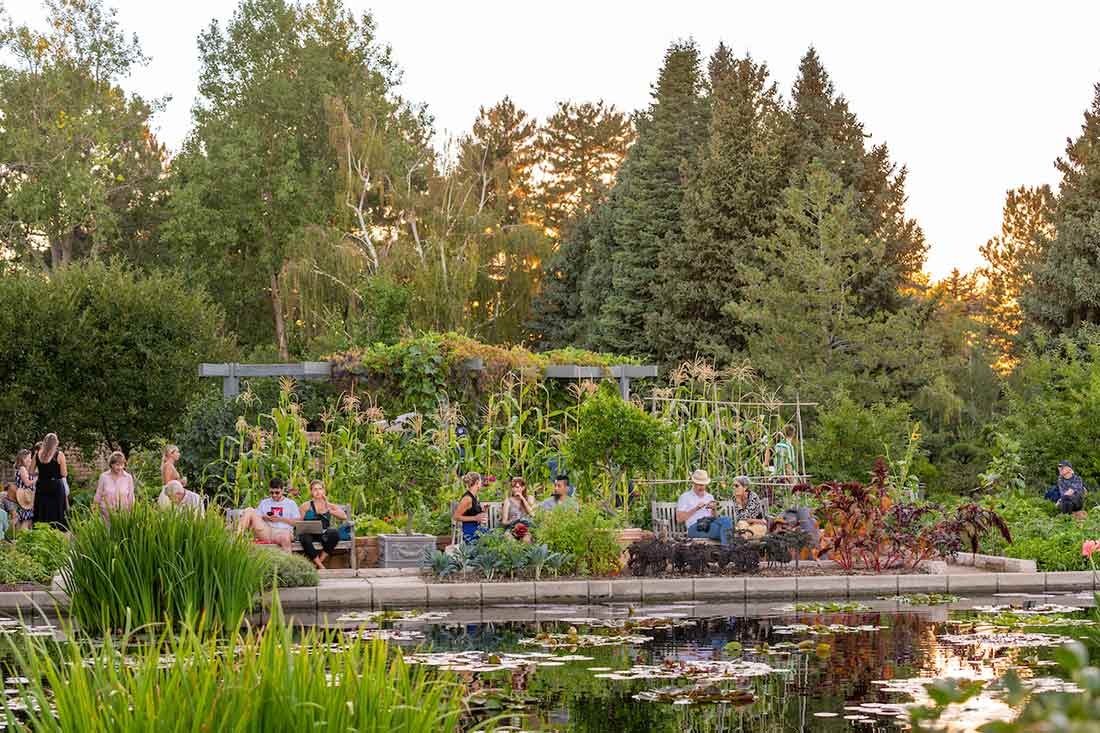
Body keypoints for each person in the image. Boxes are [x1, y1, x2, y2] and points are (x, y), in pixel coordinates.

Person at [236, 477, 298, 551]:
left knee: (285, 536)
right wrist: (265, 517)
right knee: (249, 510)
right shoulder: (264, 502)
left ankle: (288, 560)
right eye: (271, 493)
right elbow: (257, 518)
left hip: (283, 531)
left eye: (277, 492)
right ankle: (238, 540)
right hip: (267, 531)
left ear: (282, 490)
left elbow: (296, 522)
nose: (274, 495)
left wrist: (280, 519)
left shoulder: (291, 503)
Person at [297, 479, 347, 569]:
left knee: (334, 534)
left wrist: (329, 510)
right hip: (309, 533)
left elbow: (344, 516)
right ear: (311, 492)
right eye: (315, 489)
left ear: (324, 491)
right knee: (304, 538)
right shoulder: (306, 505)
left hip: (323, 533)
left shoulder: (329, 505)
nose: (318, 491)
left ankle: (318, 563)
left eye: (320, 489)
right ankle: (321, 566)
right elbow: (298, 521)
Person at [676, 469, 734, 545]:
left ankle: (726, 549)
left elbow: (714, 517)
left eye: (703, 485)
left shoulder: (709, 497)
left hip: (709, 523)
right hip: (695, 527)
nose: (702, 487)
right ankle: (728, 551)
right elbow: (679, 519)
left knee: (727, 519)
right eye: (699, 485)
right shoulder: (685, 497)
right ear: (693, 483)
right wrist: (696, 509)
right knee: (725, 531)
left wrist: (714, 509)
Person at [33, 433, 68, 530]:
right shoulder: (59, 454)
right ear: (56, 443)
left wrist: (41, 472)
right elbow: (64, 474)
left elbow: (31, 471)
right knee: (57, 511)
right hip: (56, 486)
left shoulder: (37, 454)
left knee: (42, 510)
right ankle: (57, 534)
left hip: (42, 486)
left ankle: (42, 532)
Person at [93, 451, 136, 519]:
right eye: (117, 465)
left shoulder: (128, 477)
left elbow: (131, 496)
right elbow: (98, 494)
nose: (120, 467)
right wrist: (94, 509)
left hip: (123, 515)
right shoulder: (104, 477)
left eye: (122, 465)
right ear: (111, 464)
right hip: (106, 514)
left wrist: (132, 512)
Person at [453, 471, 488, 544]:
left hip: (478, 530)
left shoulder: (475, 496)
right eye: (481, 481)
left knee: (496, 537)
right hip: (470, 533)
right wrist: (475, 518)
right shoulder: (467, 498)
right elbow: (456, 517)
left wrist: (483, 510)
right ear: (477, 482)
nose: (481, 484)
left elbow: (473, 513)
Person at [501, 476, 535, 542]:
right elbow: (504, 522)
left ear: (523, 488)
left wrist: (522, 498)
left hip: (526, 528)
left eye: (517, 487)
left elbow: (532, 514)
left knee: (526, 540)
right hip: (512, 528)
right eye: (513, 487)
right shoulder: (508, 501)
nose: (515, 489)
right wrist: (510, 521)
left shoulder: (530, 498)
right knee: (508, 539)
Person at [13, 449, 36, 530]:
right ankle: (23, 539)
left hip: (24, 497)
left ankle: (19, 538)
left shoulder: (21, 468)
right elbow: (27, 483)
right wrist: (36, 479)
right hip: (25, 497)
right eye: (29, 458)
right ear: (23, 458)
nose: (30, 460)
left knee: (23, 519)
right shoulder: (22, 469)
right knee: (27, 520)